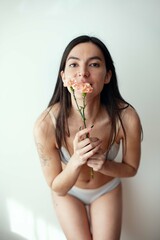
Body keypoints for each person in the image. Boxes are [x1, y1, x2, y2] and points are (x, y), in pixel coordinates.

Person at [33, 35, 142, 240]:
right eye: (74, 64)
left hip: (106, 190)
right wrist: (75, 161)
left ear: (107, 76)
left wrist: (104, 165)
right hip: (68, 193)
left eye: (94, 64)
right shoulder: (46, 125)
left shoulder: (126, 118)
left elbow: (132, 168)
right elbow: (58, 187)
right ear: (64, 78)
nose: (83, 73)